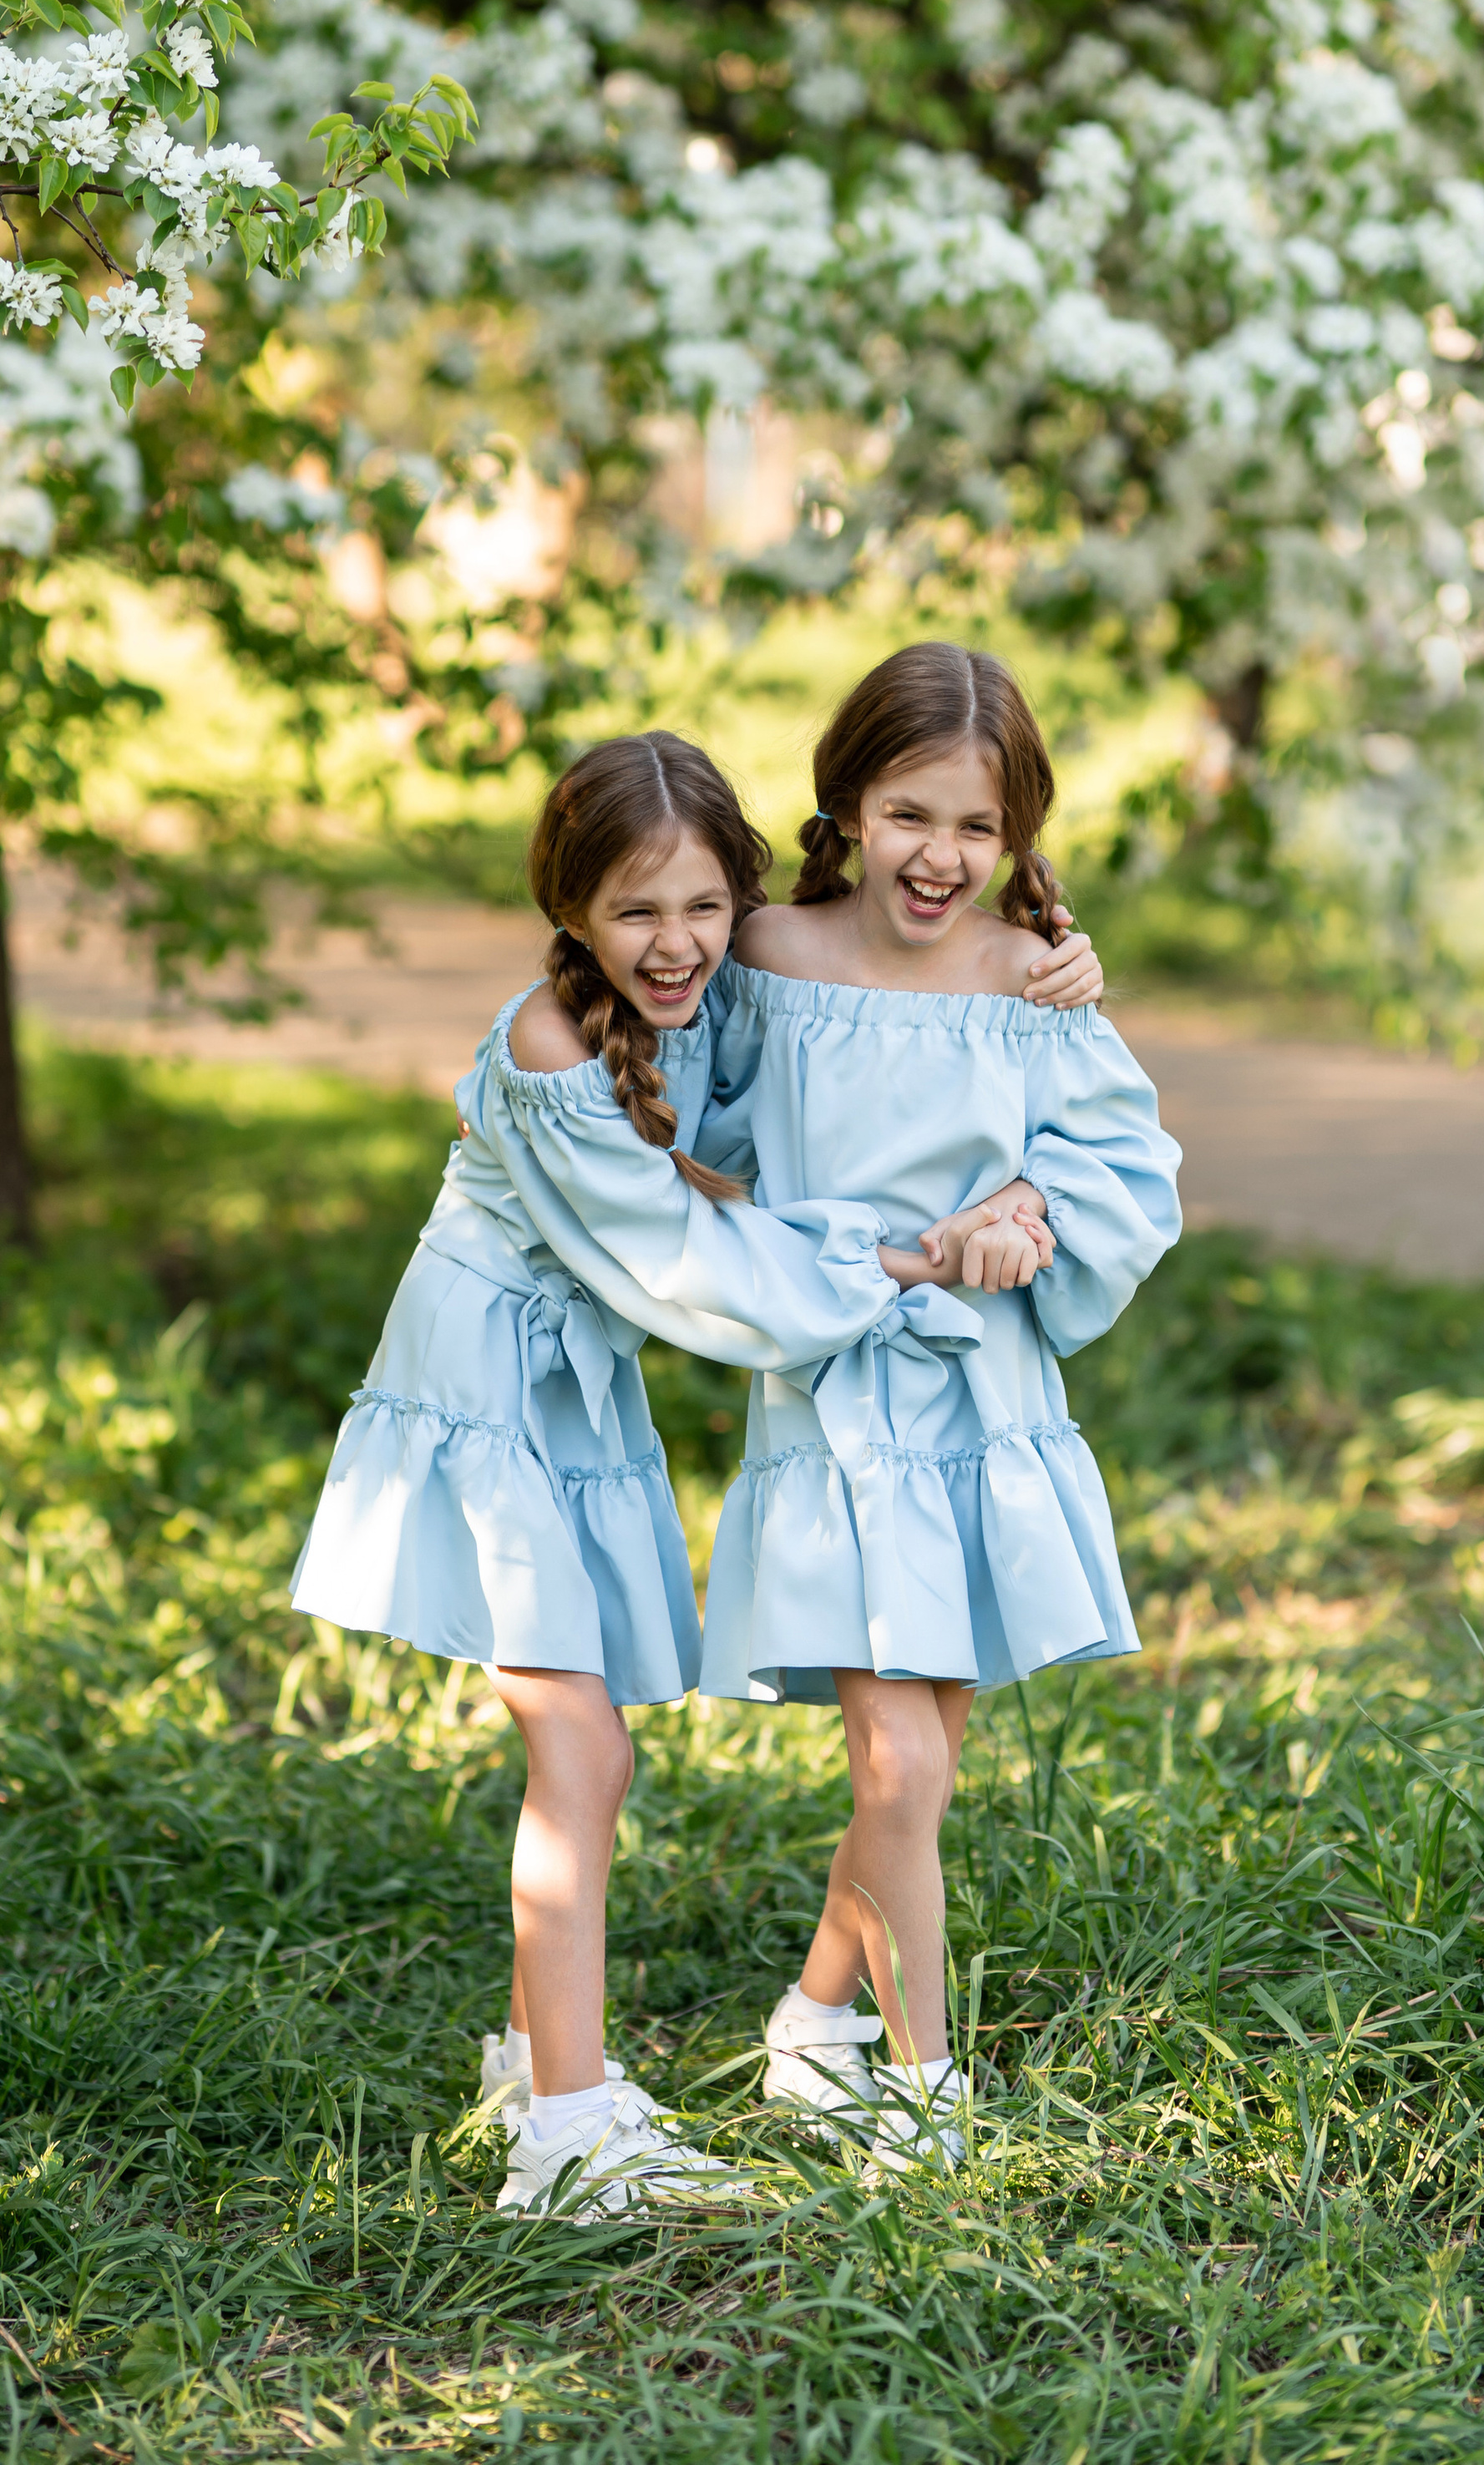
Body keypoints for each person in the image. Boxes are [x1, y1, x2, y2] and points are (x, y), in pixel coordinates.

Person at [288, 728, 1100, 2219]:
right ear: (573, 910)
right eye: (636, 913)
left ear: (742, 898)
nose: (676, 946)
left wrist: (1046, 946)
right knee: (585, 1756)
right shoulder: (548, 1044)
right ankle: (567, 2133)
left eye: (703, 909)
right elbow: (680, 1261)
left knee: (608, 1751)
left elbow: (871, 997)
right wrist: (907, 1257)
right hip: (485, 1390)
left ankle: (541, 2062)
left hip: (573, 1394)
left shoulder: (720, 986)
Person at [697, 643, 1183, 2173]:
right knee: (898, 1770)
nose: (941, 857)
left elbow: (1127, 1167)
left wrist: (1028, 1205)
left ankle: (812, 2022)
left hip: (985, 1402)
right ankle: (921, 2094)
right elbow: (680, 1134)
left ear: (1018, 836)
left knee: (926, 1773)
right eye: (911, 815)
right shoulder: (767, 956)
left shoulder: (1028, 981)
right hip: (839, 1398)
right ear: (850, 800)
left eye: (978, 829)